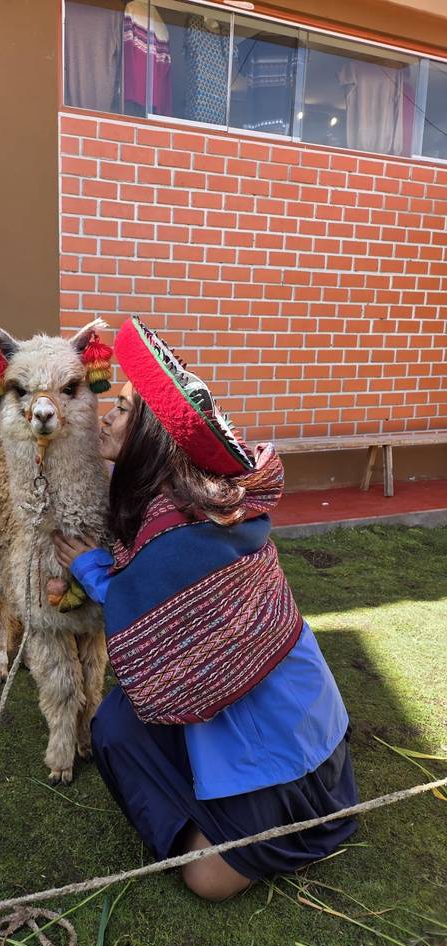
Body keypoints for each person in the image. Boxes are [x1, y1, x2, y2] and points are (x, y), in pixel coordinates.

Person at [53, 316, 358, 902]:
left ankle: (248, 815)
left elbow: (157, 617)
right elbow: (166, 602)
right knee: (120, 725)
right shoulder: (186, 501)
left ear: (152, 436)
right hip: (275, 707)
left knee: (207, 879)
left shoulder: (177, 524)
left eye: (122, 409)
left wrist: (90, 570)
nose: (106, 418)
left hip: (278, 735)